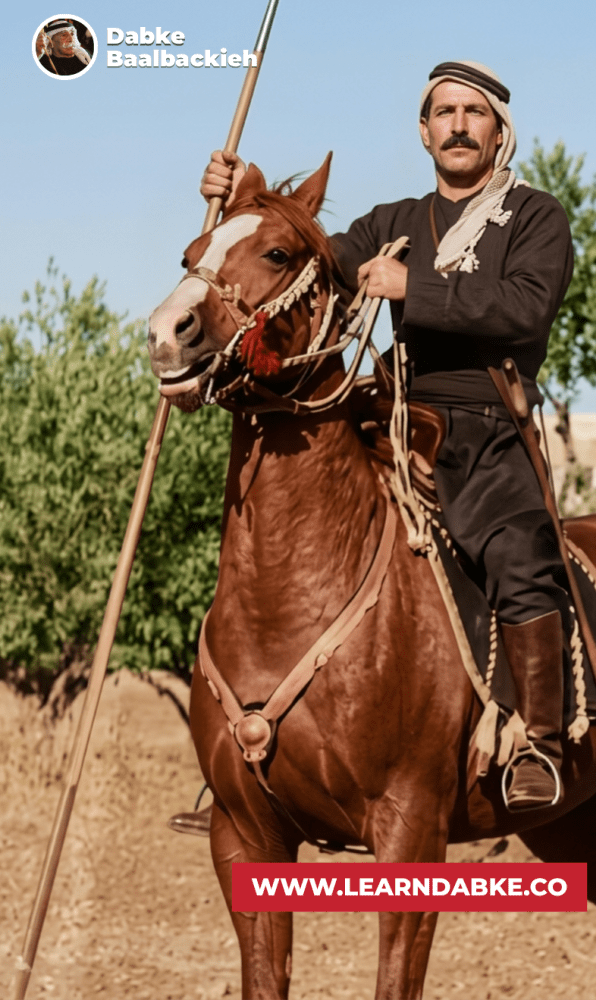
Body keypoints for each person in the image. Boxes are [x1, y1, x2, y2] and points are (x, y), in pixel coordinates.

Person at [176, 60, 573, 831]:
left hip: (486, 427)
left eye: (473, 113)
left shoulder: (534, 216)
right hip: (391, 414)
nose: (458, 125)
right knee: (279, 547)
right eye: (443, 112)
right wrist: (235, 209)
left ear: (498, 130)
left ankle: (539, 744)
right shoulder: (391, 221)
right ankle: (249, 762)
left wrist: (411, 288)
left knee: (518, 555)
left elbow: (525, 308)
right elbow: (290, 264)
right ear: (423, 131)